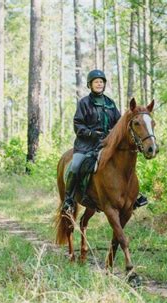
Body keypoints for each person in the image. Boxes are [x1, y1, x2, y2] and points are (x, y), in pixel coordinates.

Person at [62, 69, 147, 212]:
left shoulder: (110, 103)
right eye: (96, 82)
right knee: (75, 166)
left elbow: (120, 124)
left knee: (125, 164)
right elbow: (78, 125)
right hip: (86, 145)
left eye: (101, 82)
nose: (99, 84)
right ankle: (69, 199)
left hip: (107, 144)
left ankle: (133, 195)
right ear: (90, 85)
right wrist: (92, 133)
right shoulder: (84, 103)